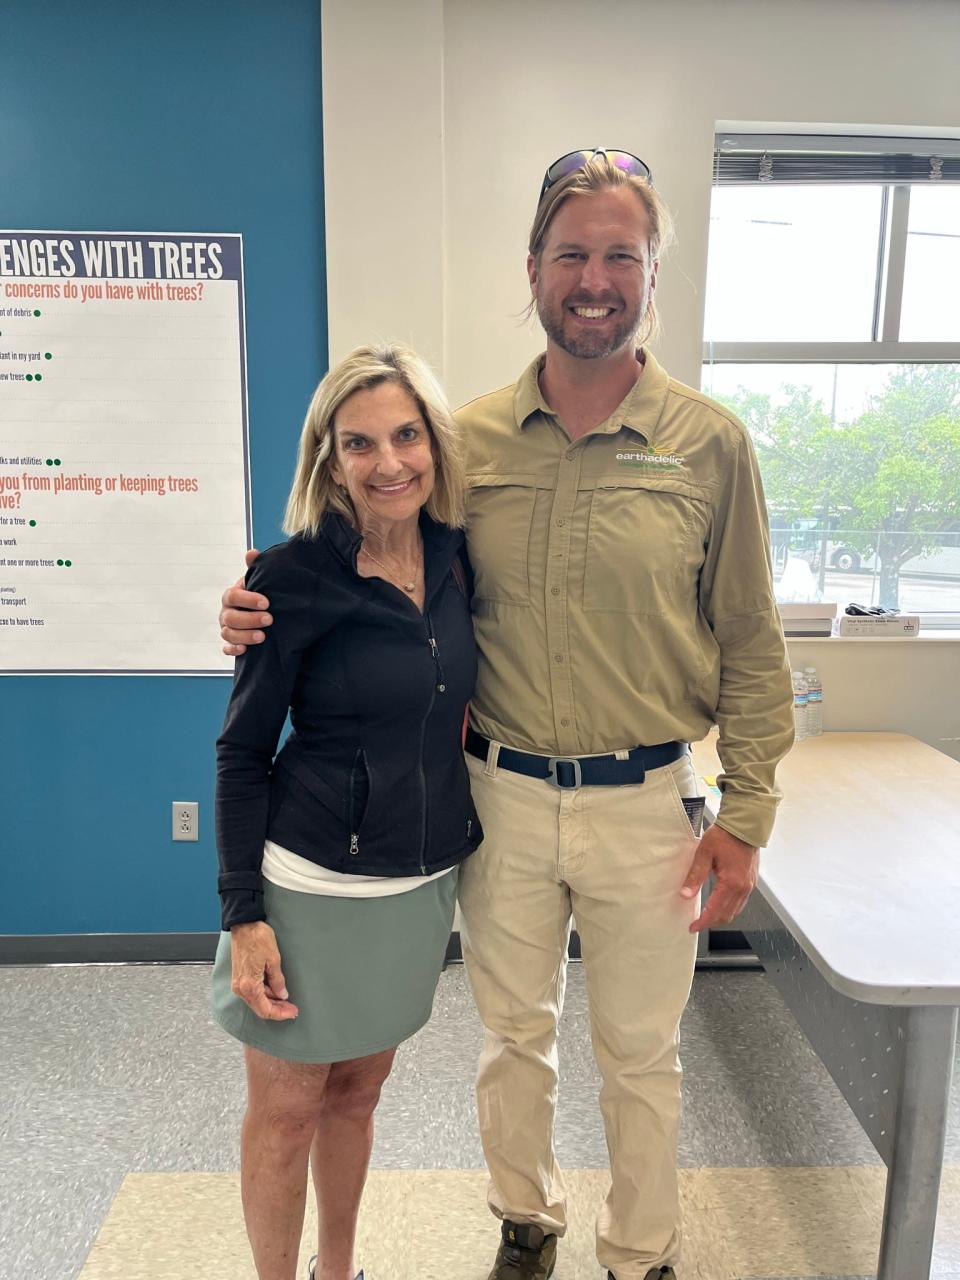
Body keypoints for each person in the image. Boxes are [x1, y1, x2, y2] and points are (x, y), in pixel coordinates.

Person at [220, 151, 795, 1280]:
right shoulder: (464, 442)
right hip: (501, 797)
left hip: (648, 803)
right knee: (512, 1037)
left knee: (641, 1051)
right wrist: (257, 598)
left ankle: (643, 1251)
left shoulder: (712, 443)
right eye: (570, 253)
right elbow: (365, 550)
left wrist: (752, 807)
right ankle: (526, 1221)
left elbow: (752, 638)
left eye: (618, 254)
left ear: (651, 272)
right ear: (533, 270)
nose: (594, 277)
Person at [212, 342, 482, 1280]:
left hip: (417, 883)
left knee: (360, 1094)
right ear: (329, 459)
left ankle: (339, 1270)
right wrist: (243, 914)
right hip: (309, 884)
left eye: (407, 435)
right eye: (359, 442)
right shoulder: (289, 579)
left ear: (436, 445)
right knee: (288, 1109)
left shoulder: (456, 561)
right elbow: (242, 752)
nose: (389, 462)